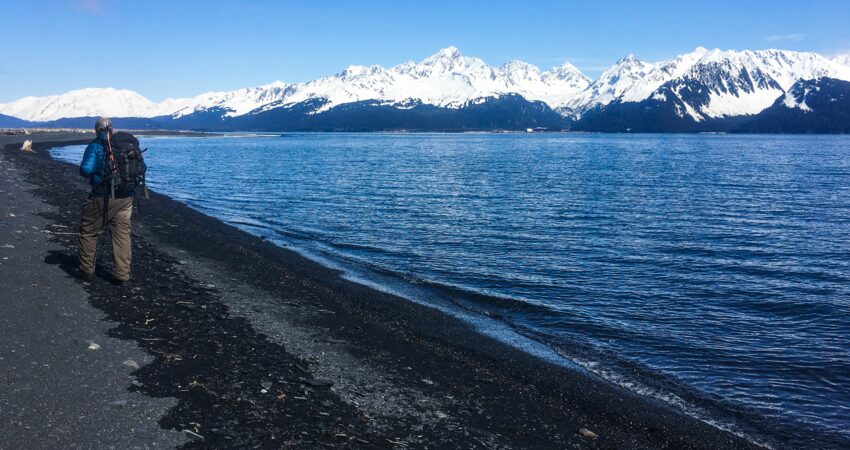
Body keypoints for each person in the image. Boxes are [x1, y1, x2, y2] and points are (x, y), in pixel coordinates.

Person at [77, 117, 134, 284]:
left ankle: (86, 270)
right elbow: (141, 167)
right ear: (112, 128)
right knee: (122, 235)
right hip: (125, 196)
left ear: (96, 130)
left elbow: (86, 169)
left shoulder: (95, 145)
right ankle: (122, 275)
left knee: (89, 231)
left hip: (101, 196)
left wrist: (94, 174)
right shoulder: (124, 144)